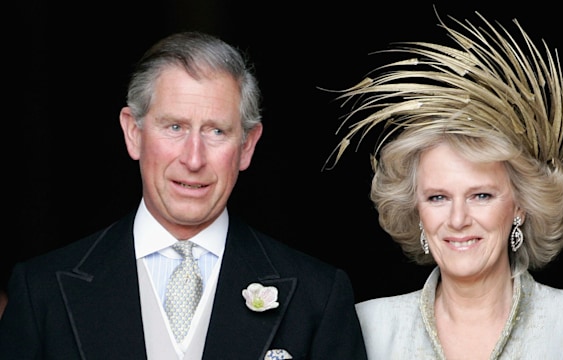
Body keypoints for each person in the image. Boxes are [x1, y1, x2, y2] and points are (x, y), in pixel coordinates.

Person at [0, 31, 367, 359]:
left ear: (247, 146)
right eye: (174, 127)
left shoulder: (317, 296)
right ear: (133, 132)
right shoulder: (41, 291)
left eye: (216, 131)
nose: (193, 158)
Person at [323, 10, 563, 360]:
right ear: (417, 210)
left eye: (480, 195)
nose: (457, 219)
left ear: (520, 204)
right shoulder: (368, 326)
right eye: (437, 197)